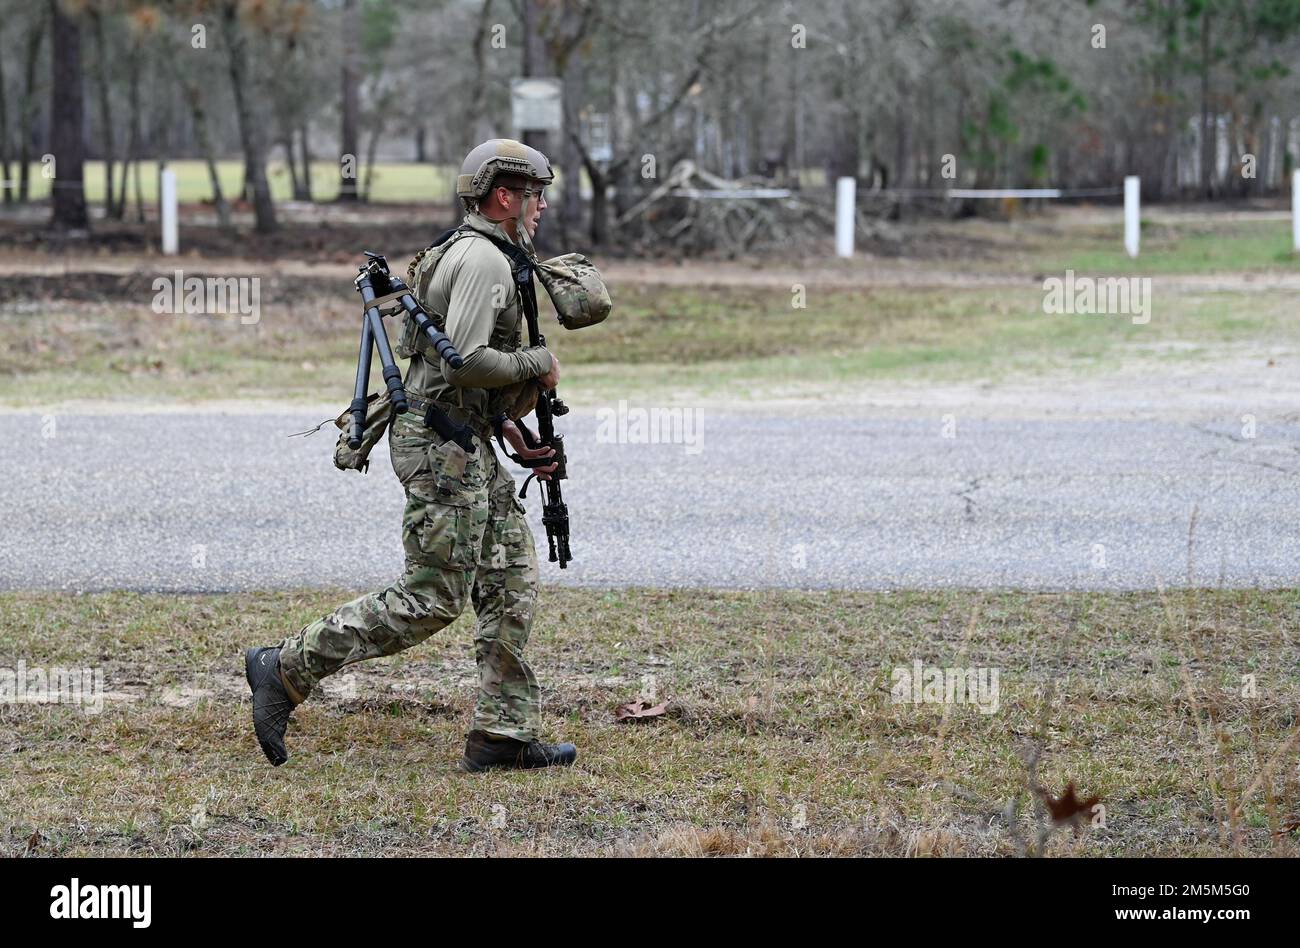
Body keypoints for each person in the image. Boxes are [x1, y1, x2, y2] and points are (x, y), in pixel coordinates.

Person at [244, 139, 576, 773]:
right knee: (433, 597)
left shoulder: (481, 249)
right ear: (503, 197)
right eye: (535, 195)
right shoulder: (483, 261)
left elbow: (449, 368)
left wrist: (511, 435)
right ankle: (284, 666)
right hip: (439, 447)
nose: (542, 207)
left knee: (509, 579)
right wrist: (541, 364)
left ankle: (502, 734)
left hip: (463, 436)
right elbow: (470, 359)